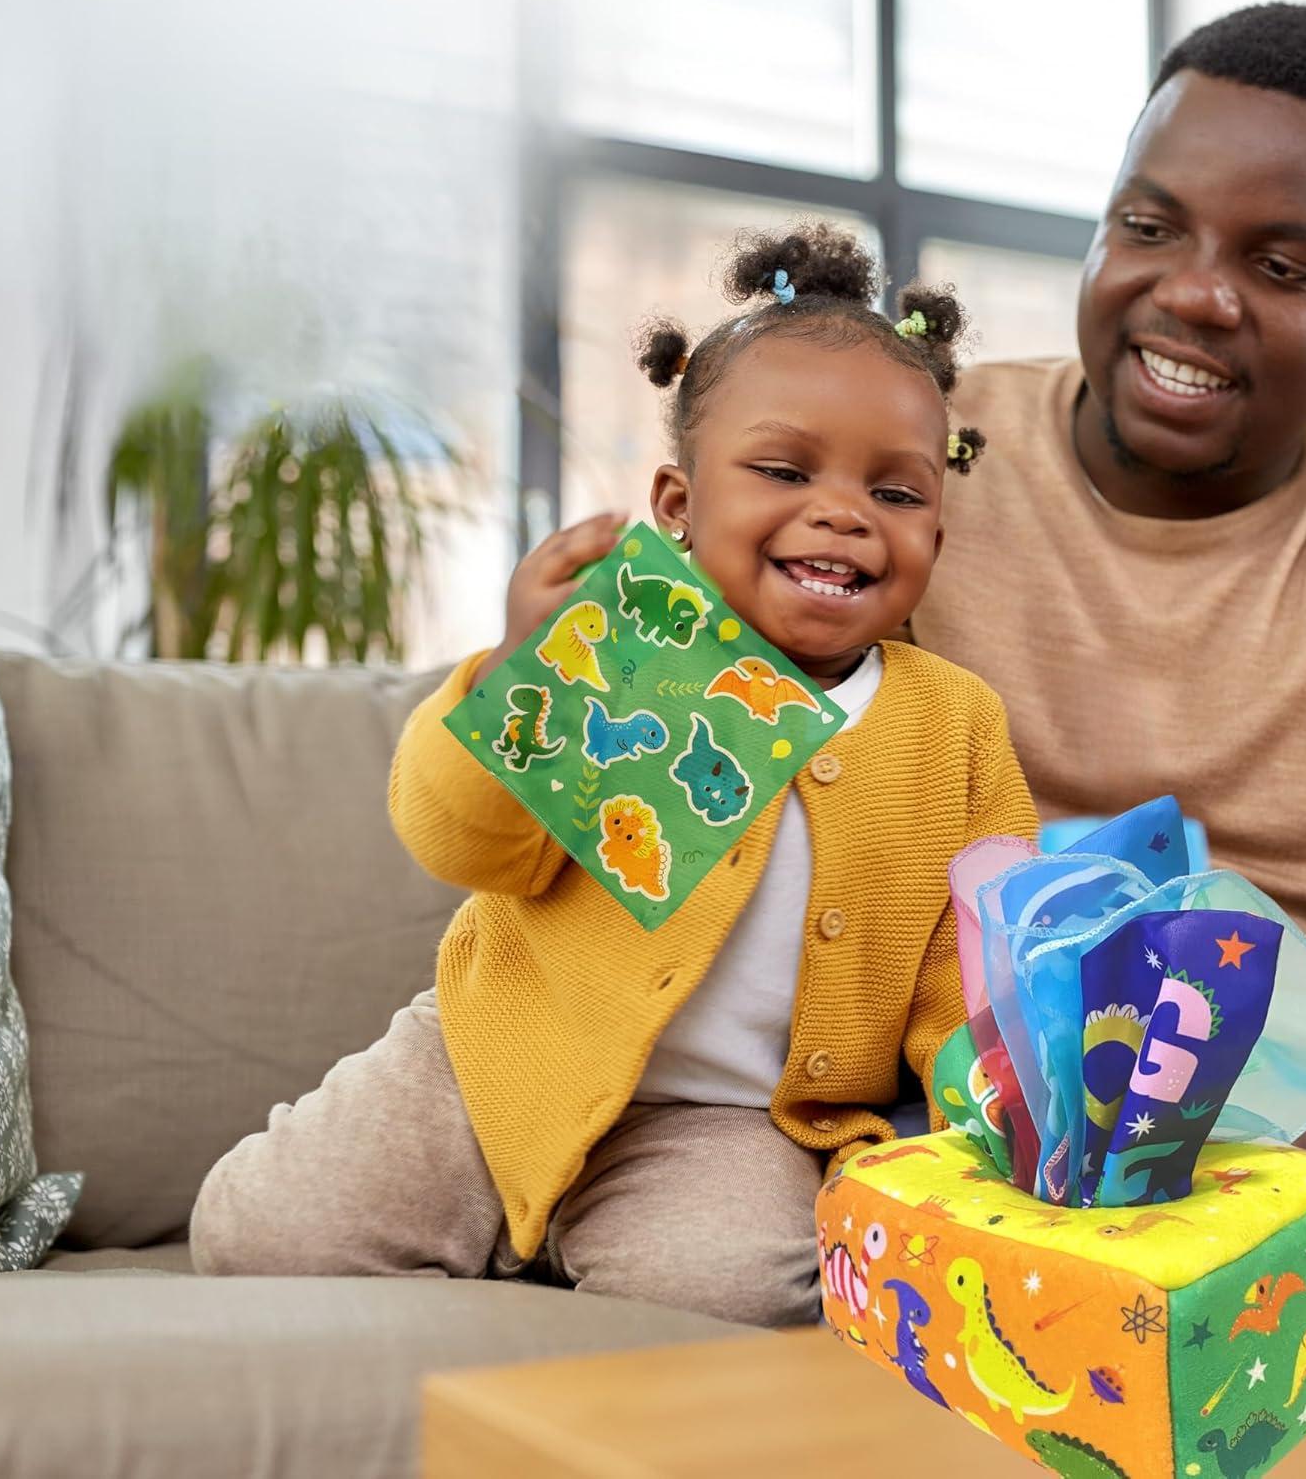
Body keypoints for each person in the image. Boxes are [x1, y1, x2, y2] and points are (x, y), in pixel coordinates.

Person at [188, 224, 1038, 1324]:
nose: (843, 513)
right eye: (784, 472)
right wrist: (518, 682)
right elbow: (461, 843)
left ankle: (571, 1240)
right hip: (496, 1062)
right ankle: (520, 1224)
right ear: (679, 507)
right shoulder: (620, 647)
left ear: (938, 524)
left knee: (732, 1295)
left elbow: (962, 967)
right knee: (258, 1232)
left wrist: (1000, 1101)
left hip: (724, 1121)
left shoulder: (955, 723)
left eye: (898, 493)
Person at [912, 2, 1306, 1292]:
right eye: (1150, 226)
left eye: (1284, 268)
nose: (1195, 294)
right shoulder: (916, 456)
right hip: (955, 1113)